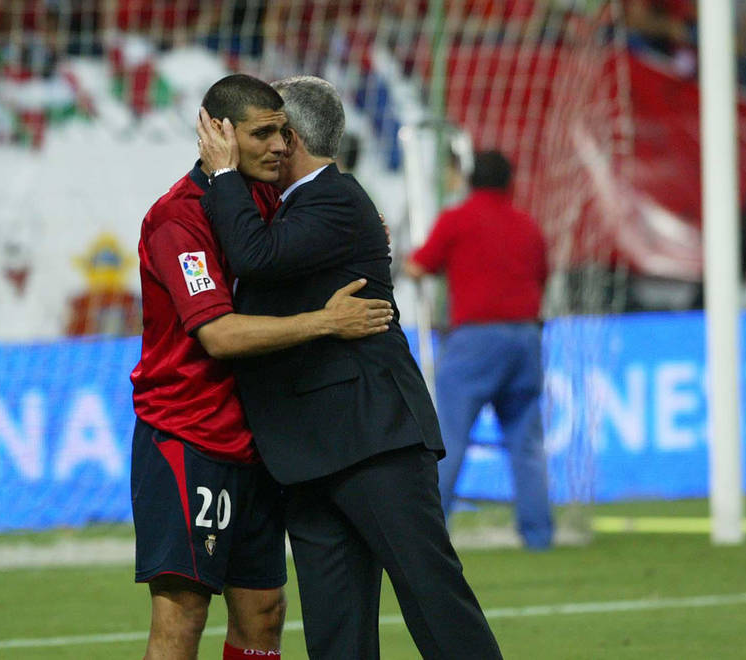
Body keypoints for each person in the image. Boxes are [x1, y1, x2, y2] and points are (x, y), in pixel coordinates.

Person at [198, 76, 503, 660]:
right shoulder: (296, 207)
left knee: (433, 599)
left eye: (269, 130)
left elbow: (255, 257)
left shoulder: (334, 199)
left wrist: (222, 175)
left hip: (372, 441)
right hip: (308, 453)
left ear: (288, 137)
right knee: (336, 632)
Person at [130, 73, 394, 660]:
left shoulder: (269, 201)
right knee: (182, 617)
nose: (279, 145)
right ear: (219, 135)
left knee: (264, 614)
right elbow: (219, 336)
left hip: (257, 442)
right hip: (189, 436)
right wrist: (326, 322)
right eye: (263, 133)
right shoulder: (178, 220)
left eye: (283, 132)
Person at [404, 150, 554, 550]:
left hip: (476, 340)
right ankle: (539, 535)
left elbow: (418, 266)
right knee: (526, 443)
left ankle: (431, 534)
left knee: (450, 438)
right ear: (510, 183)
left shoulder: (457, 220)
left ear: (471, 180)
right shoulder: (527, 224)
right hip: (526, 338)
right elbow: (542, 276)